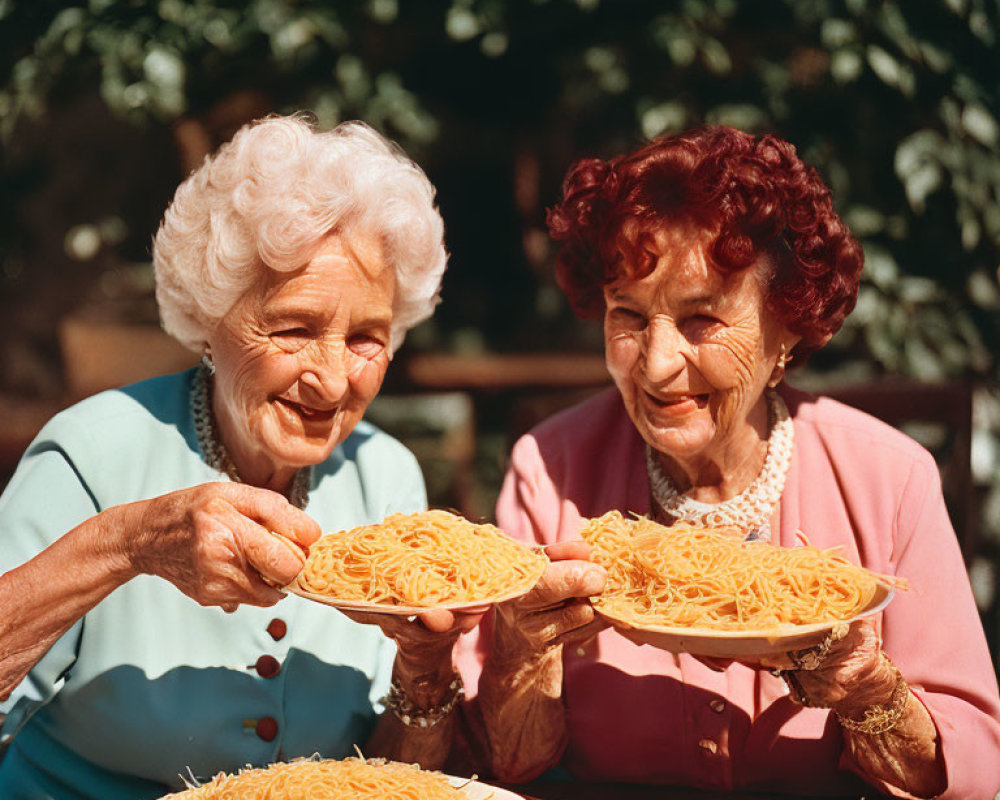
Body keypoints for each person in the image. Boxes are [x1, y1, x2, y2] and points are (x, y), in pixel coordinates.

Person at [457, 125, 1000, 798]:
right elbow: (504, 766)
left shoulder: (892, 478)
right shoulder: (549, 466)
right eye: (627, 315)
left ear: (788, 330)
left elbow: (976, 773)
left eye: (700, 321)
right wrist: (518, 649)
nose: (656, 368)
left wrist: (870, 695)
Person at [0, 116, 479, 799]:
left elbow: (392, 781)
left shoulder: (386, 474)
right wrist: (128, 543)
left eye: (367, 338)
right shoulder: (93, 451)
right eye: (293, 328)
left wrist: (424, 667)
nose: (334, 379)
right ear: (210, 319)